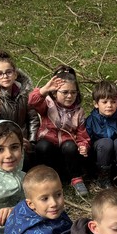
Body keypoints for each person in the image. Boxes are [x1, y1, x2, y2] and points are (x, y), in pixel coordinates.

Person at [28, 66, 91, 196]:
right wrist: (44, 90)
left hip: (67, 151)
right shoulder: (48, 104)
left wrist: (83, 145)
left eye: (73, 92)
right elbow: (31, 101)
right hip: (49, 148)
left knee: (70, 146)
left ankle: (76, 178)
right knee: (42, 146)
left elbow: (81, 133)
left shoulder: (78, 111)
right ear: (55, 93)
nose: (69, 96)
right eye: (65, 92)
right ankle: (48, 177)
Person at [84, 80, 117, 191]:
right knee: (106, 142)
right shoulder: (91, 120)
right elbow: (87, 140)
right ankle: (103, 178)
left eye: (113, 102)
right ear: (96, 104)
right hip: (100, 156)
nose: (109, 105)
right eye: (105, 102)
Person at [0, 48, 39, 148]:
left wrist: (32, 141)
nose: (5, 76)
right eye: (0, 74)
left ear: (15, 74)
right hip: (2, 144)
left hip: (25, 141)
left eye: (9, 72)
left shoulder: (24, 93)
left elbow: (33, 119)